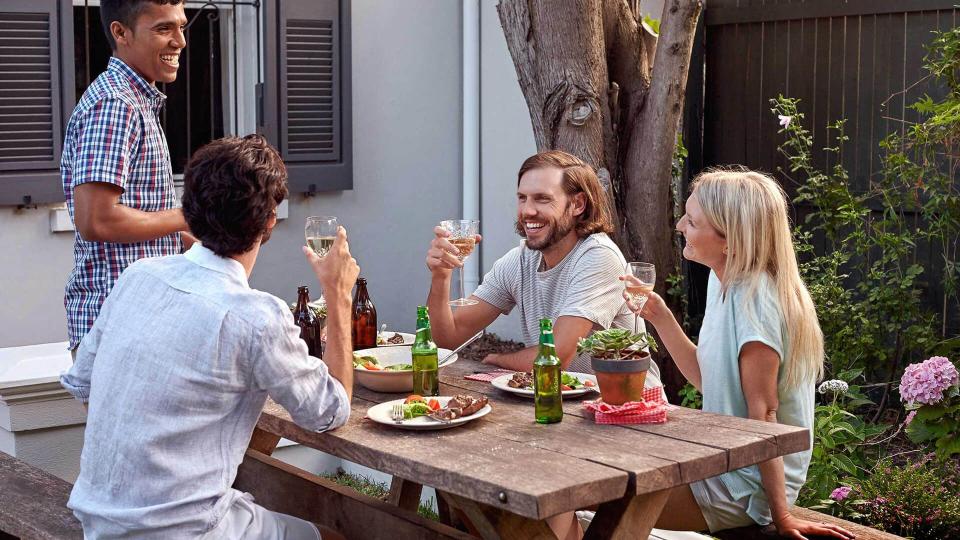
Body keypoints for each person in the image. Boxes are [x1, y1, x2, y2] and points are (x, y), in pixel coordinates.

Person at [60, 135, 359, 539]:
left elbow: (82, 380)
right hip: (186, 531)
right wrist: (339, 297)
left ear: (189, 211)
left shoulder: (138, 276)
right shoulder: (256, 316)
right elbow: (329, 413)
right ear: (269, 221)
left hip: (98, 523)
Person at [425, 150, 663, 540]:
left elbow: (559, 355)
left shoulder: (598, 257)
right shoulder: (519, 260)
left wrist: (500, 359)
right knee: (466, 467)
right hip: (562, 414)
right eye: (522, 198)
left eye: (542, 199)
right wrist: (440, 277)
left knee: (533, 482)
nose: (528, 211)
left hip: (626, 420)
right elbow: (448, 336)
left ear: (577, 204)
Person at [623, 168, 854, 539]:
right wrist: (661, 317)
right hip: (720, 458)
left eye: (692, 220)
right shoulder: (723, 279)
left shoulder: (756, 304)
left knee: (605, 501)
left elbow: (763, 417)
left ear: (730, 240)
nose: (680, 225)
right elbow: (706, 378)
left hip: (745, 485)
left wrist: (781, 517)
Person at [62, 0, 195, 357]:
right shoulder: (115, 105)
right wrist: (192, 214)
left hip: (139, 321)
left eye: (181, 26)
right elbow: (97, 220)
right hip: (118, 324)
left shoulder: (136, 101)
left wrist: (203, 240)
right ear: (120, 33)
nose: (180, 41)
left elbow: (138, 219)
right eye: (164, 28)